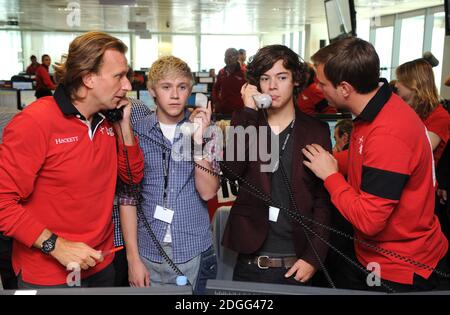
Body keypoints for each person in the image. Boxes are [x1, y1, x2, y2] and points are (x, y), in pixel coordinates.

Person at [0, 31, 144, 289]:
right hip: (48, 272)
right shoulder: (35, 122)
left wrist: (124, 126)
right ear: (88, 78)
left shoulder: (106, 119)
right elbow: (2, 202)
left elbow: (132, 177)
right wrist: (55, 245)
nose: (128, 86)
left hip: (101, 265)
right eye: (118, 76)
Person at [303, 37, 448, 292]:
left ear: (345, 88)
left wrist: (330, 176)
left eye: (322, 83)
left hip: (400, 267)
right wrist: (327, 160)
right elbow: (364, 159)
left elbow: (369, 220)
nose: (318, 88)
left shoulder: (388, 132)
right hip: (375, 255)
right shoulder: (375, 109)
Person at [222, 45, 332, 285]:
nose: (272, 86)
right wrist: (248, 113)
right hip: (251, 261)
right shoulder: (249, 122)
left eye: (281, 77)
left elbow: (323, 201)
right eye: (265, 78)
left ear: (295, 81)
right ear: (256, 84)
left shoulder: (316, 130)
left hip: (298, 262)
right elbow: (230, 170)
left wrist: (314, 258)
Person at [119, 56, 219, 294]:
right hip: (147, 249)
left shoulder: (208, 129)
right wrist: (132, 259)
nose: (175, 95)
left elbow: (208, 191)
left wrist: (197, 141)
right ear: (152, 91)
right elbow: (128, 198)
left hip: (193, 247)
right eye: (166, 87)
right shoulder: (137, 132)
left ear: (190, 90)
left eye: (182, 87)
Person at [395, 59, 450, 165]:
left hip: (421, 179)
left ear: (414, 83)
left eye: (400, 80)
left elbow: (419, 151)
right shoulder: (405, 109)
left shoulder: (439, 116)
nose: (396, 85)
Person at [212, 48, 246, 116]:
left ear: (237, 57)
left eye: (230, 56)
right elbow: (215, 88)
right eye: (226, 56)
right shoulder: (221, 72)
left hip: (239, 110)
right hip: (223, 110)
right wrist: (216, 101)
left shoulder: (244, 73)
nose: (227, 59)